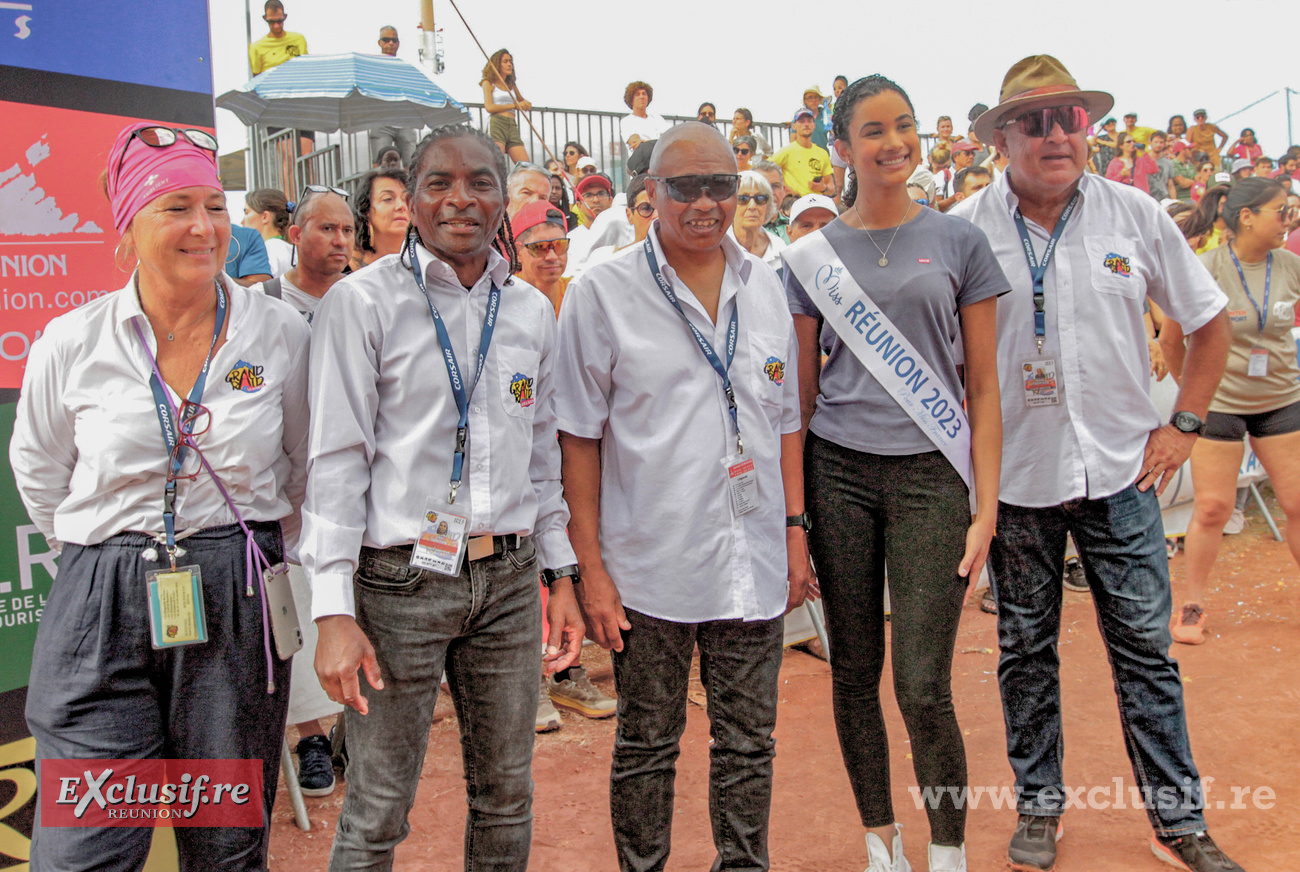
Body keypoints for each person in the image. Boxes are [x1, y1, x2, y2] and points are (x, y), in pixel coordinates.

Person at [952, 55, 1245, 872]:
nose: (1056, 136)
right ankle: (1039, 807)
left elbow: (1210, 323)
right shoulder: (965, 231)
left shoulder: (1135, 214)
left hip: (1122, 476)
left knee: (1146, 653)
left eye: (1070, 119)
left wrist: (1184, 424)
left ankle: (1177, 822)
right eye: (1036, 122)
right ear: (1002, 137)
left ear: (1088, 130)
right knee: (1024, 652)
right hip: (1016, 483)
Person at [11, 121, 310, 870]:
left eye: (214, 206)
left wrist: (241, 554)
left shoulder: (280, 334)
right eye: (176, 207)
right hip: (100, 606)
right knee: (84, 850)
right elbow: (40, 471)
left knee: (225, 844)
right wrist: (112, 557)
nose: (203, 227)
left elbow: (305, 467)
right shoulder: (73, 341)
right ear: (128, 229)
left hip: (234, 597)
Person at [304, 124, 585, 870]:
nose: (461, 199)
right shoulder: (362, 304)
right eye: (439, 183)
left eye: (480, 182)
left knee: (507, 796)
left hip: (510, 582)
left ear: (503, 198)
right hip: (398, 586)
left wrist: (561, 574)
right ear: (410, 199)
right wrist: (332, 611)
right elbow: (335, 462)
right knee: (377, 808)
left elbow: (543, 458)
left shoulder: (529, 310)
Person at [553, 120, 813, 872]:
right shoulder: (603, 292)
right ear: (651, 191)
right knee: (646, 743)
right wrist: (590, 570)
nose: (705, 202)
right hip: (648, 568)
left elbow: (785, 423)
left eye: (720, 185)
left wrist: (794, 531)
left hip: (753, 558)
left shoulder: (765, 284)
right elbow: (577, 438)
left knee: (749, 742)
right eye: (685, 186)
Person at [784, 74, 1006, 872]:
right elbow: (799, 400)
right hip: (837, 475)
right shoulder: (808, 258)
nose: (895, 143)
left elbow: (984, 388)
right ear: (841, 149)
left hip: (932, 480)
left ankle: (948, 849)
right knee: (853, 671)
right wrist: (795, 519)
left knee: (922, 683)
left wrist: (986, 508)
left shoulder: (959, 242)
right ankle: (880, 840)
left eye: (904, 125)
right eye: (873, 130)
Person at [1159, 177, 1300, 646]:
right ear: (1247, 217)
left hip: (1281, 400)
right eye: (1281, 211)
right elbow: (1171, 341)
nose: (1289, 220)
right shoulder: (1205, 268)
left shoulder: (1290, 266)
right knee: (1214, 508)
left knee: (1297, 503)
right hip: (1220, 406)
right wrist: (1195, 396)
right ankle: (1193, 604)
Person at [254, 186, 355, 793]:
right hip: (286, 491)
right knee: (292, 615)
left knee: (349, 608)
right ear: (295, 234)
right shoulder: (261, 305)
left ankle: (351, 734)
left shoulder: (365, 299)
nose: (340, 241)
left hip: (351, 486)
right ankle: (310, 737)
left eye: (347, 230)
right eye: (326, 229)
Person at [368, 26, 417, 168]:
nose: (390, 43)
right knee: (380, 163)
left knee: (411, 163)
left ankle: (408, 183)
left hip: (404, 118)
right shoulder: (373, 66)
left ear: (398, 43)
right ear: (380, 43)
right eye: (386, 40)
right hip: (381, 119)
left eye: (394, 40)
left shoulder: (405, 66)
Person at [512, 199, 571, 315]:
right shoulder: (503, 299)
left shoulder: (575, 293)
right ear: (518, 252)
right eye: (540, 247)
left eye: (560, 245)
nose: (552, 257)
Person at [350, 167, 410, 270]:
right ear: (366, 211)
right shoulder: (346, 268)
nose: (401, 206)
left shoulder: (429, 262)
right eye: (387, 199)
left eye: (406, 199)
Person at [481, 48, 531, 164]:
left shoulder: (511, 84)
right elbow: (489, 107)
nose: (509, 65)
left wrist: (526, 104)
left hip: (512, 125)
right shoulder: (488, 83)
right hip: (498, 123)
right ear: (497, 64)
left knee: (526, 165)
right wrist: (514, 105)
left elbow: (521, 100)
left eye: (510, 62)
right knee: (497, 162)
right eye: (505, 62)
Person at [772, 107, 836, 198]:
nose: (806, 124)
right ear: (794, 126)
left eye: (809, 121)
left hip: (817, 202)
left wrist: (823, 188)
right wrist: (784, 188)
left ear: (814, 125)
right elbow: (764, 171)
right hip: (795, 202)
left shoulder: (822, 153)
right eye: (801, 122)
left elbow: (832, 189)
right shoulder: (787, 151)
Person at [730, 170, 786, 270]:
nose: (752, 206)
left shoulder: (779, 248)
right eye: (743, 199)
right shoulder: (718, 246)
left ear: (768, 206)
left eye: (760, 198)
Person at [243, 187, 294, 276]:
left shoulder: (267, 252)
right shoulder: (293, 251)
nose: (242, 221)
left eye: (247, 212)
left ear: (265, 217)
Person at [249, 0, 307, 74]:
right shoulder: (257, 47)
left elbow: (305, 67)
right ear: (265, 18)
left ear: (285, 17)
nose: (276, 26)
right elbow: (256, 77)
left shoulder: (299, 39)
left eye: (279, 21)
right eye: (272, 22)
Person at [621, 80, 669, 154]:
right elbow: (637, 146)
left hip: (660, 157)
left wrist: (646, 143)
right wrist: (658, 142)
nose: (642, 97)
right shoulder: (627, 121)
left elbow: (668, 140)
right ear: (631, 100)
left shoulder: (658, 119)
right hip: (642, 160)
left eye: (644, 94)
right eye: (637, 94)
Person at [753, 159, 791, 242]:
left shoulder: (795, 225)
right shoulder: (741, 229)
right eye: (764, 186)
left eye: (775, 186)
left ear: (784, 191)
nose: (770, 192)